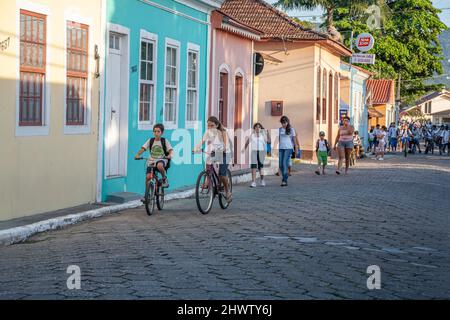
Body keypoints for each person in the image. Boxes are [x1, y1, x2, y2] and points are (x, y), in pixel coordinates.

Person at [193, 116, 232, 202]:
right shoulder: (207, 132)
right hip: (216, 152)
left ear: (217, 125)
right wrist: (195, 148)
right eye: (208, 125)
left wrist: (223, 149)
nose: (210, 127)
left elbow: (225, 145)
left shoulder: (223, 132)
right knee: (208, 160)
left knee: (222, 174)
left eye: (212, 125)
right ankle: (207, 179)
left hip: (225, 153)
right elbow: (201, 141)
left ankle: (227, 191)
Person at [134, 123, 174, 190]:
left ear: (162, 133)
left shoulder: (164, 141)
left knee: (159, 165)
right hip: (152, 160)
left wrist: (170, 155)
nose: (156, 133)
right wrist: (137, 155)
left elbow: (171, 150)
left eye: (158, 131)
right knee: (148, 177)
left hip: (162, 159)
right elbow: (143, 148)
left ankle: (164, 178)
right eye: (155, 131)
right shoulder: (151, 140)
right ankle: (147, 194)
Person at [274, 116, 299, 186]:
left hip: (288, 148)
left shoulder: (291, 130)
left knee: (285, 163)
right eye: (282, 123)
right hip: (281, 148)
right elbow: (277, 139)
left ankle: (284, 180)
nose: (283, 124)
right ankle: (285, 176)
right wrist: (274, 148)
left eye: (285, 123)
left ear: (287, 122)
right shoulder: (279, 130)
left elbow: (294, 140)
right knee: (280, 164)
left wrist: (296, 149)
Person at [245, 123, 269, 187]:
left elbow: (268, 141)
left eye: (259, 127)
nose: (257, 128)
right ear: (254, 128)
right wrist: (243, 149)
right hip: (254, 152)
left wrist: (267, 134)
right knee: (253, 167)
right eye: (256, 127)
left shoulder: (263, 135)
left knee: (261, 167)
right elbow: (247, 142)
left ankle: (262, 180)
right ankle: (253, 182)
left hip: (261, 152)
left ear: (261, 128)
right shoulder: (252, 135)